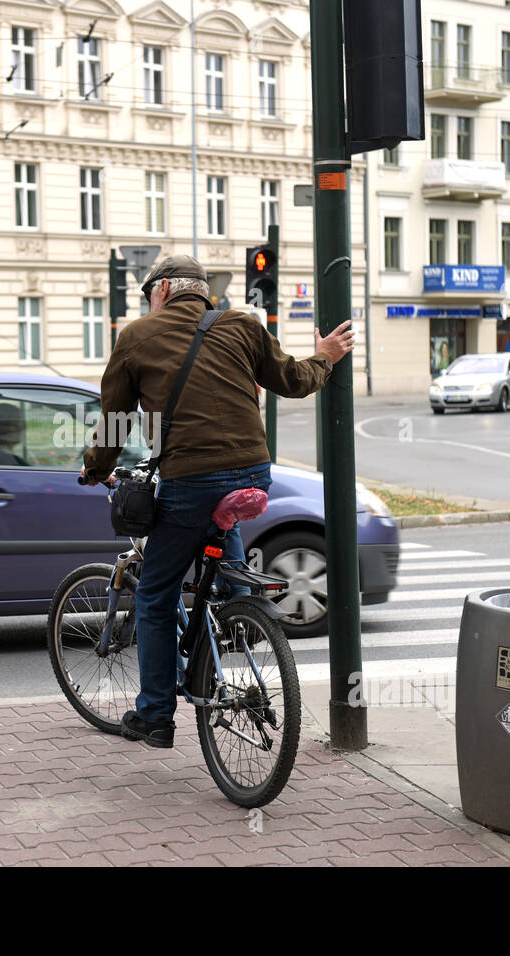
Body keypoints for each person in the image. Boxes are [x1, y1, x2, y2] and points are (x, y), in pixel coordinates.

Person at [81, 254, 355, 749]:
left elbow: (117, 421)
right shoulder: (243, 326)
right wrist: (326, 357)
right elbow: (293, 380)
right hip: (253, 476)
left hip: (191, 479)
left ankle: (155, 715)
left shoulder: (136, 337)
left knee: (156, 593)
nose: (148, 304)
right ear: (203, 292)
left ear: (162, 290)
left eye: (148, 295)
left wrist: (94, 469)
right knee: (220, 530)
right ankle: (237, 612)